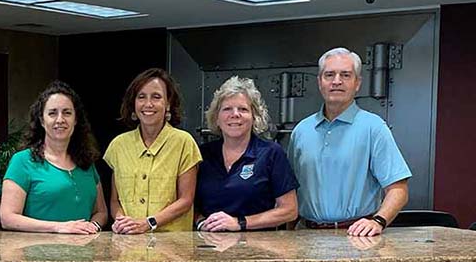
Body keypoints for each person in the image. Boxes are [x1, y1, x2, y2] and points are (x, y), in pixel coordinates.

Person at [288, 47, 411, 236]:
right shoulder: (301, 131)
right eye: (329, 75)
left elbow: (398, 189)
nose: (336, 81)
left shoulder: (373, 128)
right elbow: (290, 191)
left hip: (357, 237)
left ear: (357, 83)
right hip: (305, 235)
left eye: (345, 75)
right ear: (320, 82)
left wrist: (378, 221)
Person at [0, 81, 107, 234]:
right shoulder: (22, 161)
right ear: (42, 121)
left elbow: (101, 212)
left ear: (76, 120)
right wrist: (59, 227)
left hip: (85, 248)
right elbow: (8, 218)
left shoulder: (86, 162)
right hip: (39, 248)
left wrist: (93, 227)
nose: (60, 119)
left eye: (67, 113)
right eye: (52, 113)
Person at [104, 68, 201, 234]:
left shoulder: (184, 142)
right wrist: (122, 221)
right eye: (141, 97)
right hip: (129, 243)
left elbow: (186, 200)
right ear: (133, 103)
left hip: (173, 244)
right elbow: (115, 201)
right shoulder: (118, 145)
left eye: (156, 97)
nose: (148, 104)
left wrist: (148, 223)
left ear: (168, 103)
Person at [195, 76, 298, 232]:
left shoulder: (271, 153)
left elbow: (289, 210)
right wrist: (201, 222)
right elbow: (187, 202)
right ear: (216, 118)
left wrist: (240, 223)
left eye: (243, 109)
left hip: (258, 243)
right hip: (209, 242)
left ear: (255, 117)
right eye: (227, 109)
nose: (235, 114)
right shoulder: (202, 154)